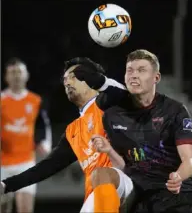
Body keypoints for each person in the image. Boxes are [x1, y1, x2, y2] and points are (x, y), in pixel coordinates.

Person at [73, 50, 192, 213]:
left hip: (180, 195)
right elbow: (124, 166)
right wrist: (108, 150)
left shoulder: (174, 111)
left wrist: (178, 176)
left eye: (141, 70)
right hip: (142, 197)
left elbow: (190, 161)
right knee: (100, 174)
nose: (133, 75)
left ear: (156, 78)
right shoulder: (112, 116)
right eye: (129, 70)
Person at [0, 58, 134, 213]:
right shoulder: (73, 131)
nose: (68, 83)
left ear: (89, 79)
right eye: (65, 80)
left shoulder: (107, 105)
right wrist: (6, 185)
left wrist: (100, 81)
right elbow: (46, 167)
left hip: (126, 181)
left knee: (101, 174)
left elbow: (126, 96)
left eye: (74, 77)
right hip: (98, 195)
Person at [1, 58, 52, 213]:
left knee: (25, 209)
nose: (16, 76)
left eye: (19, 72)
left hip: (25, 163)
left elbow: (43, 125)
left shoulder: (35, 101)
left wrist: (44, 143)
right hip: (2, 163)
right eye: (12, 72)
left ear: (26, 75)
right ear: (6, 77)